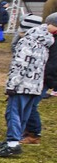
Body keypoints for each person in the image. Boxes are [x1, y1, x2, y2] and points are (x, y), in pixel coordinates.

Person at [0, 13, 57, 157]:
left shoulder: (27, 42)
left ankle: (12, 144)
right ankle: (14, 139)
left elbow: (20, 66)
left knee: (13, 114)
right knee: (23, 115)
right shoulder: (45, 42)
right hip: (35, 86)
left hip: (21, 86)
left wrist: (12, 85)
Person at [22, 15, 57, 144]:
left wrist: (48, 80)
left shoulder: (54, 42)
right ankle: (28, 130)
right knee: (29, 104)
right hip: (41, 77)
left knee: (31, 105)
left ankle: (34, 134)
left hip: (45, 79)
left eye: (49, 24)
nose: (46, 26)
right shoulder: (51, 39)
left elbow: (52, 65)